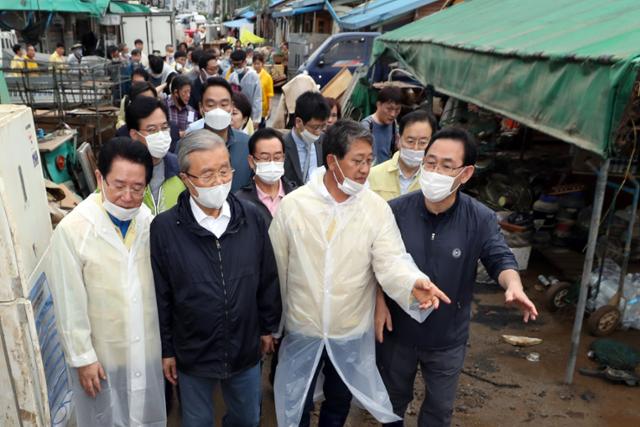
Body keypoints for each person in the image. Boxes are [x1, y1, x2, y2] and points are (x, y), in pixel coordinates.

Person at [269, 119, 450, 427]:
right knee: (295, 400)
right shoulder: (295, 206)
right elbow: (276, 267)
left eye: (369, 160)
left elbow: (391, 258)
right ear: (332, 161)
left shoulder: (375, 208)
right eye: (357, 160)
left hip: (350, 328)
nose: (365, 169)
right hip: (303, 325)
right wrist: (273, 326)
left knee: (339, 399)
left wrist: (412, 281)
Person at [375, 127, 539, 427]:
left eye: (446, 165)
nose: (435, 171)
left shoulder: (480, 218)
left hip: (447, 337)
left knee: (439, 411)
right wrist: (378, 303)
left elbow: (499, 257)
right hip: (398, 333)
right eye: (430, 162)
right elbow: (374, 262)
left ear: (465, 174)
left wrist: (513, 285)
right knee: (391, 405)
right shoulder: (394, 211)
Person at [150, 129, 282, 427]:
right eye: (207, 175)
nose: (220, 181)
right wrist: (167, 349)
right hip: (193, 350)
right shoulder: (165, 228)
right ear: (186, 179)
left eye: (224, 171)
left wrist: (267, 327)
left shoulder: (251, 217)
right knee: (197, 420)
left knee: (247, 417)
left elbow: (267, 276)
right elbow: (162, 294)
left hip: (245, 345)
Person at [48, 137, 166, 427]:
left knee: (145, 414)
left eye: (137, 188)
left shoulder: (149, 222)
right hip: (103, 355)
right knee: (106, 416)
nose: (128, 196)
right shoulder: (74, 230)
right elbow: (68, 301)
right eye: (119, 185)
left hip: (146, 347)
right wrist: (83, 357)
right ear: (100, 178)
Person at [186, 77, 251, 192]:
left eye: (224, 104)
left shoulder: (247, 144)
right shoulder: (186, 146)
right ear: (201, 108)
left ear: (231, 107)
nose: (218, 110)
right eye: (211, 105)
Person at [126, 96, 186, 214]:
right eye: (152, 130)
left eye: (164, 128)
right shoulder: (120, 171)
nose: (160, 135)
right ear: (134, 134)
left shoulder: (179, 167)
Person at [368, 110, 437, 201]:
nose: (415, 148)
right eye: (410, 141)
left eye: (422, 142)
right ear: (399, 140)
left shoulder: (434, 180)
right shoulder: (373, 175)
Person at [235, 128, 295, 223]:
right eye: (265, 158)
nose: (272, 163)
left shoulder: (296, 195)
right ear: (251, 161)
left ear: (283, 158)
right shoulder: (240, 202)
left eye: (277, 157)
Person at [283, 91, 329, 186]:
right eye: (315, 127)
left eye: (323, 126)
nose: (318, 132)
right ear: (299, 122)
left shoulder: (325, 141)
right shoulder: (282, 146)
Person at [361, 86, 403, 163]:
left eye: (397, 109)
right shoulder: (367, 126)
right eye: (389, 109)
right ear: (378, 105)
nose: (393, 114)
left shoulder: (393, 124)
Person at [228, 49, 262, 125]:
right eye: (234, 65)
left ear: (245, 62)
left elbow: (257, 98)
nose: (236, 67)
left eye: (238, 64)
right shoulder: (232, 77)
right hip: (235, 113)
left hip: (249, 114)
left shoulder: (254, 76)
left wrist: (256, 119)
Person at [253, 53, 274, 128]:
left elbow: (270, 95)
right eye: (255, 64)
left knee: (261, 129)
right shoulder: (250, 75)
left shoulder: (267, 77)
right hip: (252, 107)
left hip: (263, 108)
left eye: (258, 64)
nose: (256, 66)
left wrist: (270, 109)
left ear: (262, 64)